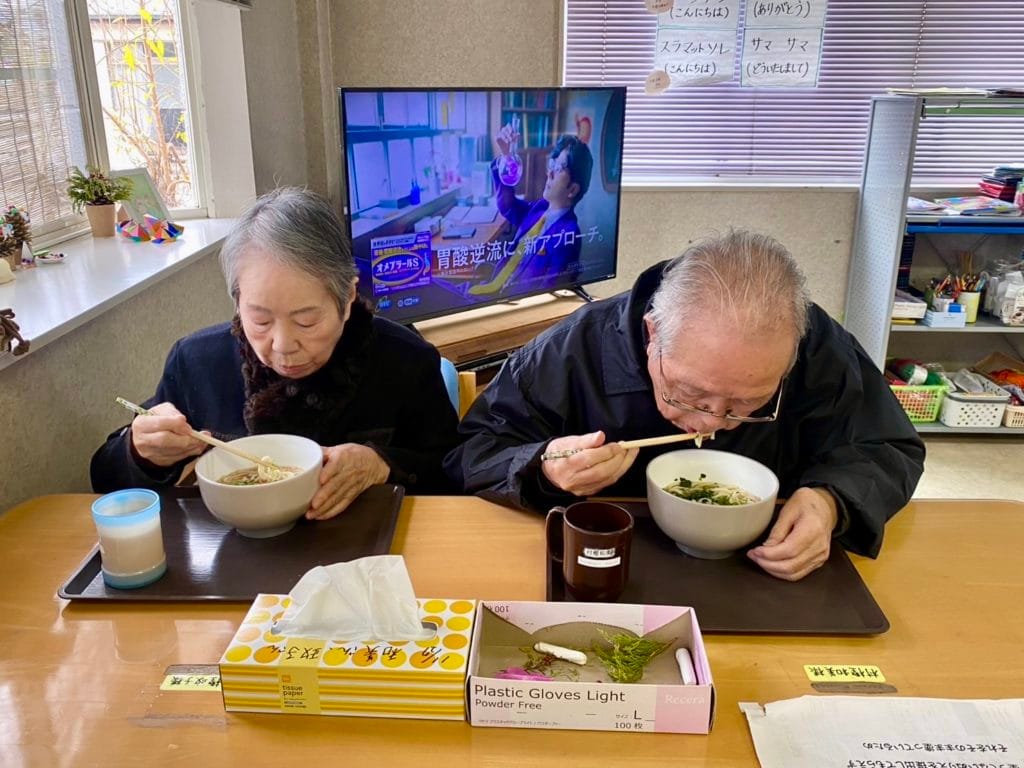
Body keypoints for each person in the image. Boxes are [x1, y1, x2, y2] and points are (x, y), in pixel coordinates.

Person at [445, 230, 925, 581]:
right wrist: (542, 469)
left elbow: (887, 446)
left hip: (760, 574)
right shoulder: (573, 350)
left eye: (747, 404)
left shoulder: (817, 346)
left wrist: (831, 500)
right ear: (652, 335)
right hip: (601, 567)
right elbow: (472, 453)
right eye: (690, 395)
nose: (711, 425)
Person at [92, 187, 460, 519]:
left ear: (347, 298)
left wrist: (382, 464)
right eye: (260, 320)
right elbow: (106, 481)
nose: (283, 346)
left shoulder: (404, 360)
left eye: (306, 321)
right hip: (238, 564)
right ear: (238, 302)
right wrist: (141, 452)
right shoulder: (198, 362)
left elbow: (454, 470)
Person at [468, 129, 594, 297]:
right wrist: (506, 156)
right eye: (552, 164)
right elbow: (508, 206)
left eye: (558, 168)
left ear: (572, 189)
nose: (549, 173)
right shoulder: (540, 208)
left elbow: (548, 295)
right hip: (489, 289)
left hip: (508, 305)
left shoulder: (568, 234)